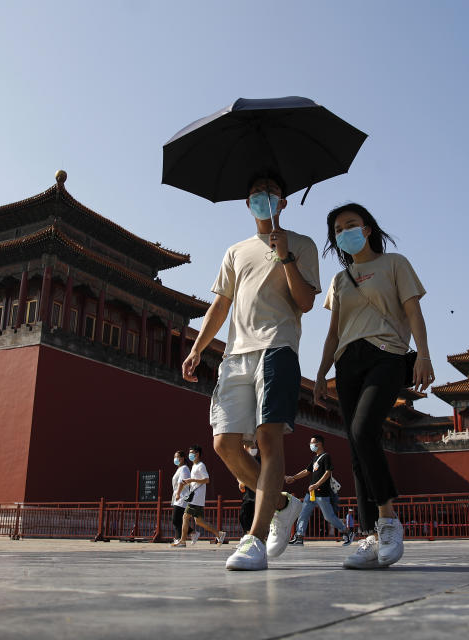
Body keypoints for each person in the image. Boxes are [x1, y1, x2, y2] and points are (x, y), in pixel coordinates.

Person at [182, 175, 320, 571]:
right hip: (235, 354)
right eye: (256, 193)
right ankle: (280, 502)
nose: (263, 198)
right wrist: (197, 348)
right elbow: (220, 306)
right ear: (248, 203)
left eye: (271, 192)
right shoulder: (235, 251)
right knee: (224, 442)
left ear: (284, 202)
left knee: (268, 437)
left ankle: (255, 539)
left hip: (278, 347)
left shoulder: (302, 244)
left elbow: (306, 302)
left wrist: (286, 256)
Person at [313, 203, 434, 569]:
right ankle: (369, 536)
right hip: (348, 362)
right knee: (355, 447)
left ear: (367, 229)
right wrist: (320, 372)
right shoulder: (339, 280)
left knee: (365, 430)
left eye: (351, 225)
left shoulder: (394, 263)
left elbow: (413, 311)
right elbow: (333, 331)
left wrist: (425, 354)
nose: (344, 232)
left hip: (387, 355)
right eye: (337, 229)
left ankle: (388, 521)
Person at [284, 435, 353, 546]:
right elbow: (307, 471)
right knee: (303, 514)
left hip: (322, 493)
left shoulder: (326, 457)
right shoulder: (315, 458)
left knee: (328, 517)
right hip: (311, 493)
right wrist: (293, 478)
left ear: (319, 443)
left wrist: (316, 484)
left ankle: (346, 532)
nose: (310, 445)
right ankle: (299, 537)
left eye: (312, 443)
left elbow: (328, 472)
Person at [172, 445, 226, 547]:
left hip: (197, 497)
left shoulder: (201, 465)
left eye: (192, 453)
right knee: (199, 521)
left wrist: (191, 480)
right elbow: (197, 482)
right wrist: (188, 482)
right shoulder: (194, 466)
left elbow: (207, 480)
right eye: (190, 453)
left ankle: (182, 541)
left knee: (185, 516)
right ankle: (219, 534)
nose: (190, 455)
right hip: (196, 497)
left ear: (197, 454)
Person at [170, 450, 194, 544]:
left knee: (176, 519)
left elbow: (182, 481)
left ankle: (179, 539)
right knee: (179, 519)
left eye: (178, 457)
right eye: (174, 457)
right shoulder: (180, 469)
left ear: (183, 458)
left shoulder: (184, 468)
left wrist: (178, 494)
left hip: (182, 497)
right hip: (178, 497)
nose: (176, 459)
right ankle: (192, 533)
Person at [238, 442, 260, 533]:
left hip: (258, 491)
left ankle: (255, 535)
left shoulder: (260, 460)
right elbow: (239, 474)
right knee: (244, 514)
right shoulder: (244, 460)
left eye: (254, 447)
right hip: (248, 493)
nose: (253, 449)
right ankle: (248, 534)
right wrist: (240, 482)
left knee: (258, 515)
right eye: (251, 447)